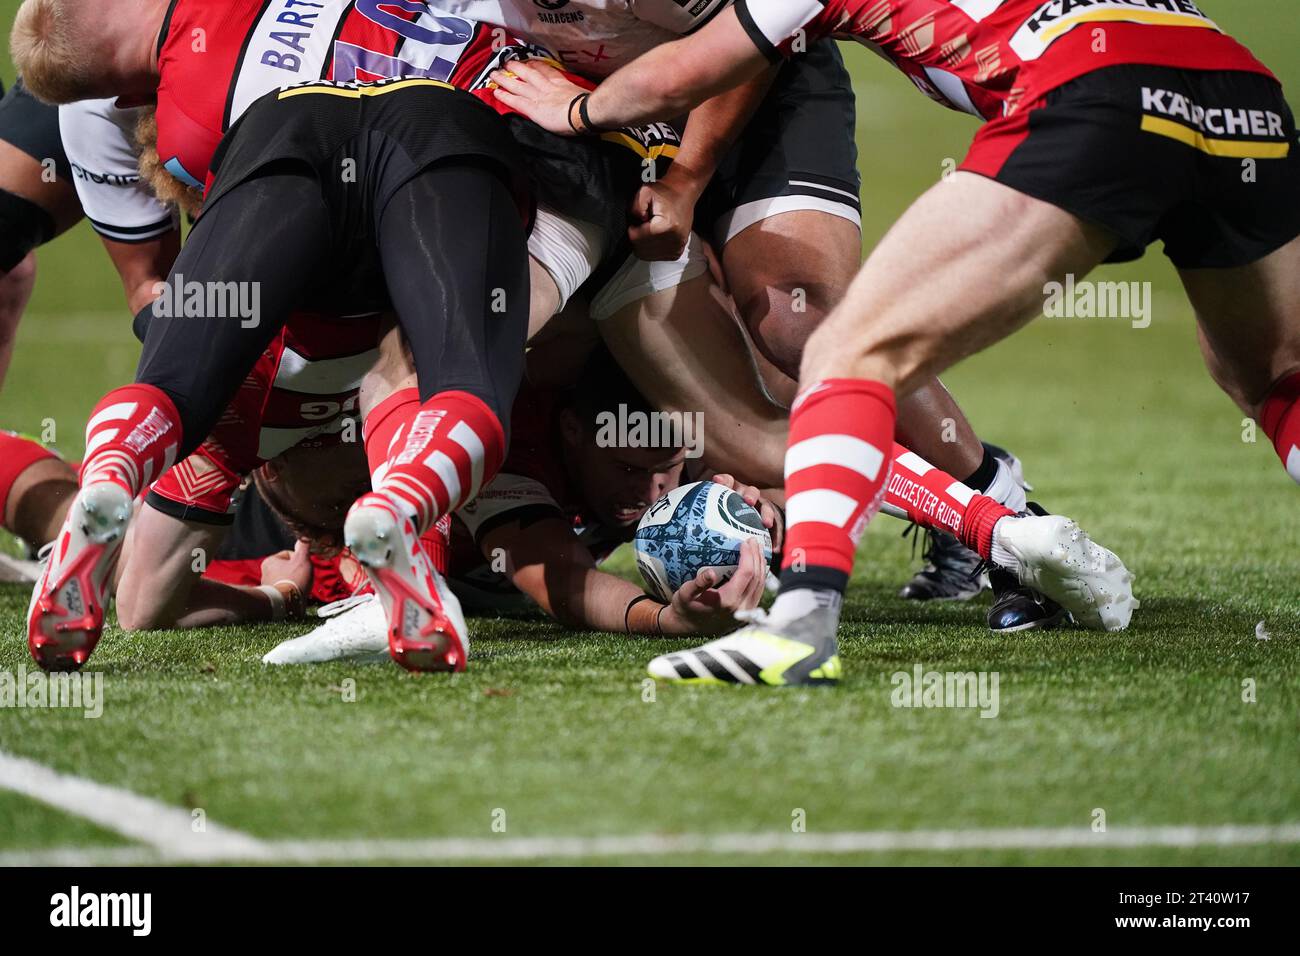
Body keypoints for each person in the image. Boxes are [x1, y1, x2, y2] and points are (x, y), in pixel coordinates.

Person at [492, 0, 1300, 682]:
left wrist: (579, 113)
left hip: (1096, 91)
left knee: (842, 347)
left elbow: (683, 72)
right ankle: (994, 527)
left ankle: (803, 627)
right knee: (1271, 378)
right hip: (1238, 84)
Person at [26, 77, 533, 674]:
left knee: (172, 389)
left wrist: (276, 597)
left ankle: (112, 472)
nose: (307, 540)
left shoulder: (234, 432)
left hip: (289, 128)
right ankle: (400, 504)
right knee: (459, 385)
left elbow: (142, 605)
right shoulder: (395, 416)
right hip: (431, 130)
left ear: (267, 476)